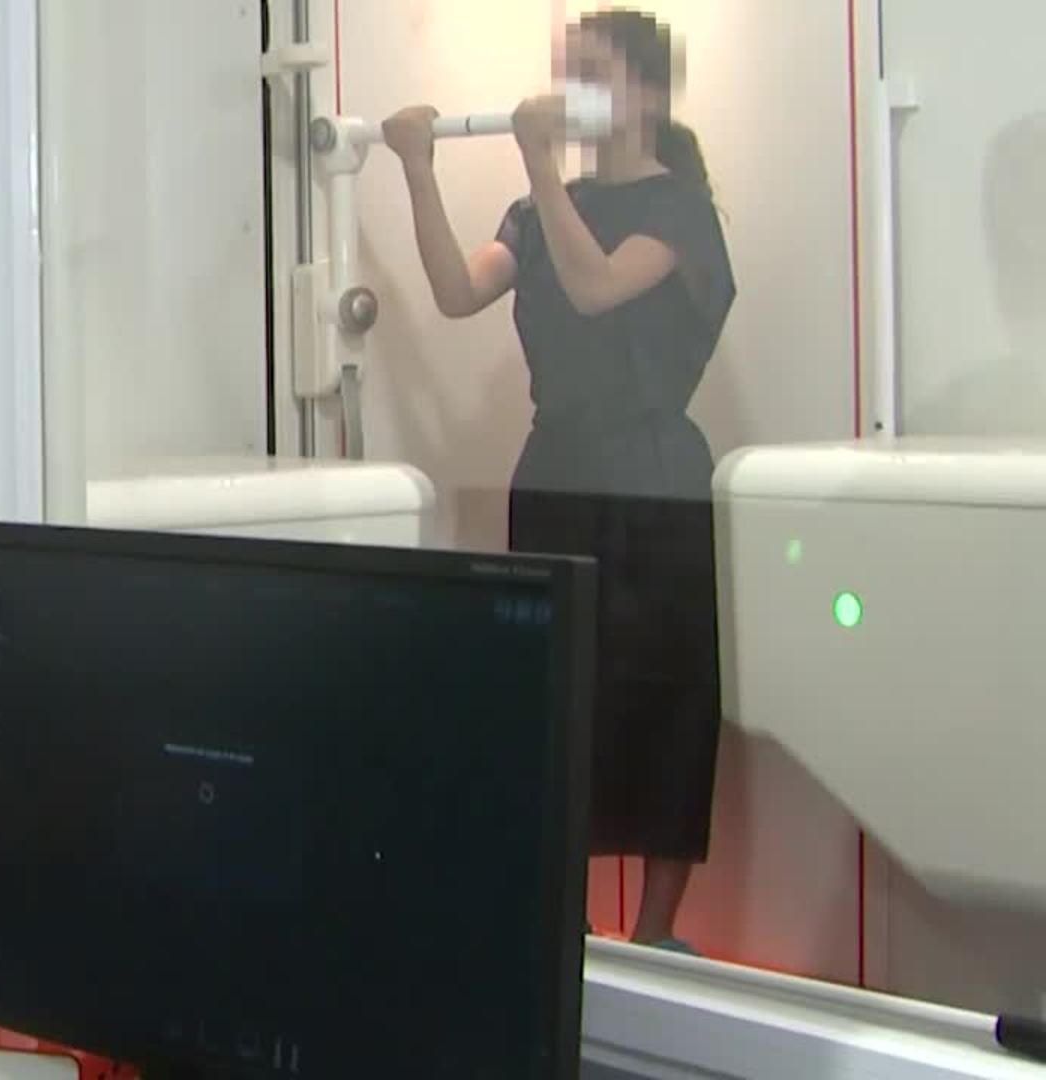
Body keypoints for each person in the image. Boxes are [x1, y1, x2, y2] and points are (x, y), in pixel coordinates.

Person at [382, 7, 736, 949]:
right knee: (556, 696)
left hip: (655, 482)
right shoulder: (537, 213)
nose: (570, 88)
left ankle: (655, 935)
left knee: (666, 696)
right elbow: (458, 291)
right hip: (556, 474)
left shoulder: (680, 210)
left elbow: (598, 287)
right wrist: (418, 169)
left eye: (594, 71)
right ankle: (564, 928)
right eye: (565, 69)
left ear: (647, 92)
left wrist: (539, 162)